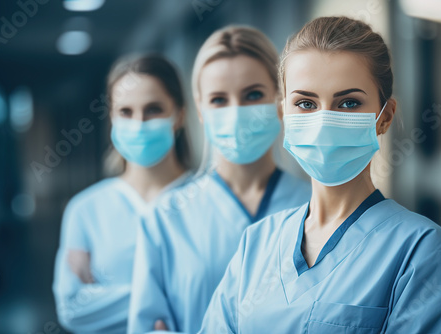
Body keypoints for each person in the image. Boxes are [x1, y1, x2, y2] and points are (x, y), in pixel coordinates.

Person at [199, 16, 441, 333]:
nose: (323, 122)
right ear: (283, 115)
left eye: (348, 103)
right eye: (305, 103)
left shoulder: (422, 253)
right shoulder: (257, 244)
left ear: (384, 117)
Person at [127, 26, 312, 334]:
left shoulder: (316, 208)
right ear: (199, 110)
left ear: (280, 101)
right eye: (218, 100)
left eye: (253, 95)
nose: (236, 111)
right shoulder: (163, 219)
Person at [52, 54, 192, 333]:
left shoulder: (212, 200)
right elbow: (72, 308)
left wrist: (109, 296)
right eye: (125, 112)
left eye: (153, 109)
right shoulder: (85, 209)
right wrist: (178, 297)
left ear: (179, 115)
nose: (139, 123)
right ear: (112, 119)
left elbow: (230, 300)